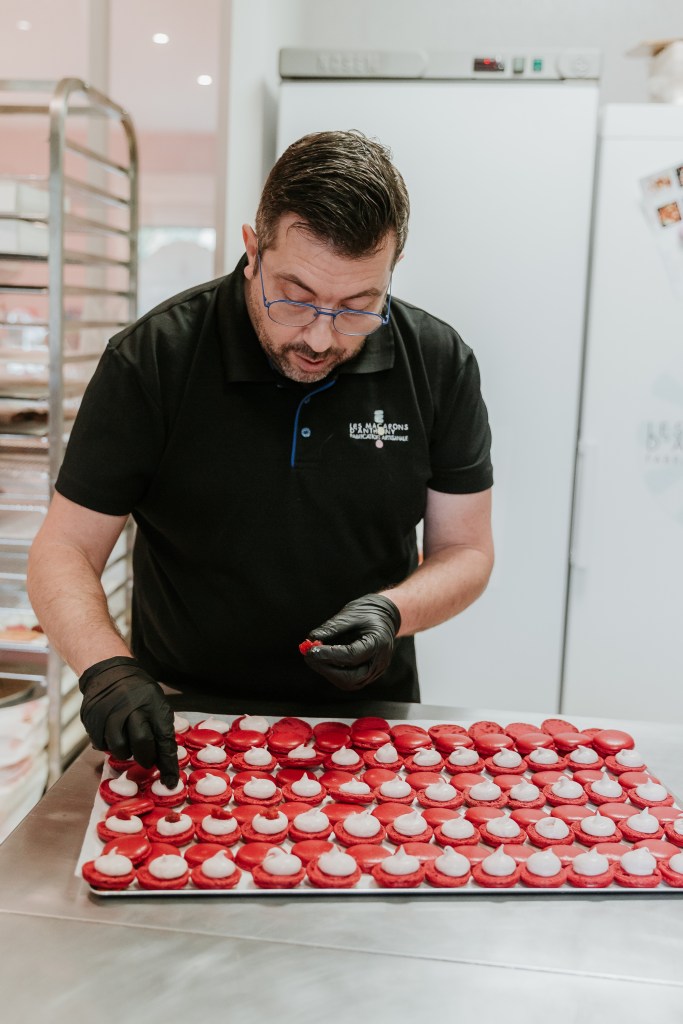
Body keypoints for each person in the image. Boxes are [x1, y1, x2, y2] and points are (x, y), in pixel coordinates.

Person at [27, 130, 494, 787]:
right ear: (252, 250)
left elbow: (466, 552)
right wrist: (107, 668)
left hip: (366, 723)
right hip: (178, 716)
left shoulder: (438, 363)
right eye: (294, 296)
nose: (319, 336)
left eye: (358, 307)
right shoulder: (154, 359)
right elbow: (64, 549)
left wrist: (394, 612)